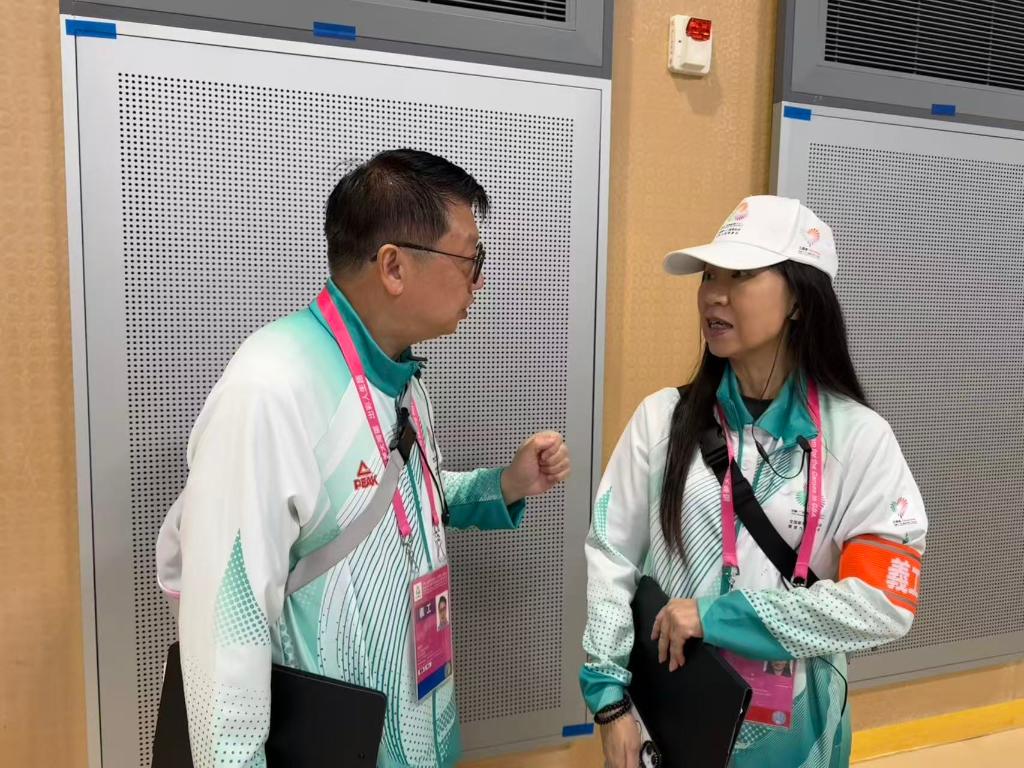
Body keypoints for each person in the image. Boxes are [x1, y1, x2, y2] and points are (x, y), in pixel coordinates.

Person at [156, 149, 571, 768]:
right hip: (334, 745)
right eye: (471, 260)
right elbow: (226, 626)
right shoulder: (271, 387)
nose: (480, 282)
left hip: (419, 725)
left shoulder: (401, 378)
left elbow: (405, 504)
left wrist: (505, 484)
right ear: (394, 267)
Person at [580, 196, 926, 768]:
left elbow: (882, 604)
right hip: (674, 719)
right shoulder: (662, 421)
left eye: (740, 275)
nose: (713, 294)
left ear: (799, 299)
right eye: (709, 276)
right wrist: (610, 702)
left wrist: (721, 617)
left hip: (801, 736)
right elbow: (610, 559)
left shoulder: (859, 439)